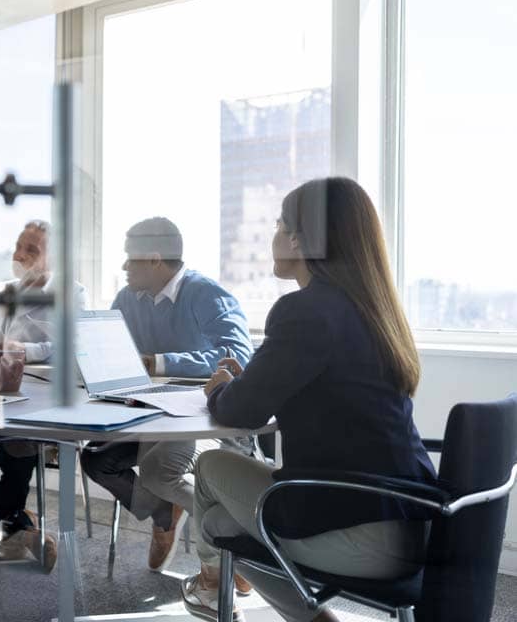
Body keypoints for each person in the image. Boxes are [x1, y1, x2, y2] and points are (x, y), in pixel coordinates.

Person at [181, 177, 438, 622]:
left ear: (299, 240)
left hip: (360, 532)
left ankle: (213, 586)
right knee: (222, 520)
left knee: (208, 472)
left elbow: (241, 412)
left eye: (279, 226)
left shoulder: (305, 310)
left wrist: (219, 387)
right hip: (417, 522)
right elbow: (316, 389)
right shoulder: (375, 310)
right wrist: (250, 381)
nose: (274, 237)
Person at [81, 217, 254, 576]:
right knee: (95, 459)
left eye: (130, 258)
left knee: (159, 471)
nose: (124, 267)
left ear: (154, 259)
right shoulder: (128, 298)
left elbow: (239, 356)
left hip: (202, 418)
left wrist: (160, 362)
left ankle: (237, 547)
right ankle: (164, 514)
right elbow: (104, 347)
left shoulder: (206, 294)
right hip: (150, 414)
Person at [0, 220, 88, 572]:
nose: (20, 254)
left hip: (40, 403)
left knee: (18, 437)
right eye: (18, 245)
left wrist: (20, 349)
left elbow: (70, 345)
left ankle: (15, 524)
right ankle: (19, 522)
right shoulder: (1, 290)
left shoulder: (72, 294)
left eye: (32, 249)